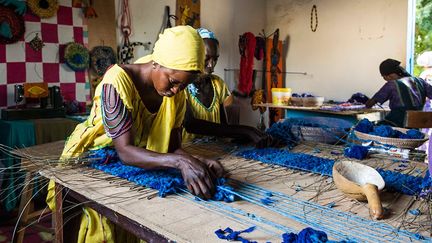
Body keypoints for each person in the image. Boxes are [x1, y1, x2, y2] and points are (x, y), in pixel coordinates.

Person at [47, 26, 225, 242]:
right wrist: (180, 163)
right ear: (156, 63)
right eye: (173, 81)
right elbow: (125, 152)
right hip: (95, 158)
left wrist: (197, 161)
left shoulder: (177, 90)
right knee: (100, 228)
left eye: (184, 85)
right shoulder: (117, 81)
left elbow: (171, 147)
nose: (176, 91)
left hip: (138, 157)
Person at [182, 27, 274, 148]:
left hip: (215, 150)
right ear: (193, 54)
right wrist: (246, 131)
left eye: (215, 59)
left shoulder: (217, 84)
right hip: (189, 152)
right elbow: (191, 125)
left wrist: (241, 137)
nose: (211, 65)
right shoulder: (180, 85)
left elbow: (223, 128)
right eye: (206, 58)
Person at [365, 58, 432, 127]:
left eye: (384, 77)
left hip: (398, 127)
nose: (385, 80)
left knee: (370, 127)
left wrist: (366, 103)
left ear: (389, 76)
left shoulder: (391, 85)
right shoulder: (420, 81)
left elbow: (370, 103)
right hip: (416, 126)